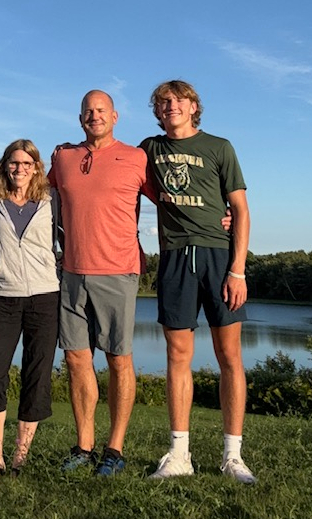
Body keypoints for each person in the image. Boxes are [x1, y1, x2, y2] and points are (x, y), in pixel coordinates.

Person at [140, 80, 256, 484]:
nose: (170, 106)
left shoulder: (219, 147)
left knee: (230, 356)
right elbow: (128, 178)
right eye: (162, 102)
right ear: (157, 112)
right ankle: (179, 455)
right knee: (177, 355)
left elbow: (241, 210)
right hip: (175, 257)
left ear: (193, 107)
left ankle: (233, 457)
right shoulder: (149, 148)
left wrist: (237, 270)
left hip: (219, 257)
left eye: (178, 100)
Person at [48, 90, 157, 476]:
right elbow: (34, 196)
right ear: (80, 118)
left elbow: (171, 200)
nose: (94, 116)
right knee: (76, 359)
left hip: (118, 271)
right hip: (71, 273)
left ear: (114, 116)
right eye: (87, 111)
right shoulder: (63, 158)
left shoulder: (136, 158)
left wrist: (222, 215)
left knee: (118, 359)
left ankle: (115, 449)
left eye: (101, 110)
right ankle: (84, 446)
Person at [0, 139, 60, 480]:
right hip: (3, 297)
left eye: (27, 163)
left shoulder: (51, 201)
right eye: (14, 163)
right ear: (5, 166)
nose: (20, 169)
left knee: (36, 375)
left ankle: (20, 456)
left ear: (37, 167)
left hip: (45, 296)